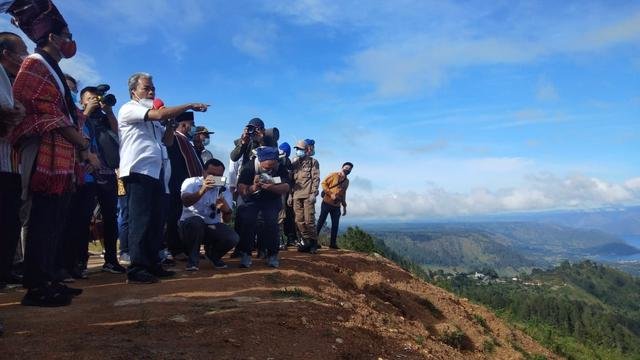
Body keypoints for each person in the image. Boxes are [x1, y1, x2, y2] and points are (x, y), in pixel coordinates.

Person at [7, 0, 98, 306]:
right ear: (51, 37)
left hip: (62, 154)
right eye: (67, 34)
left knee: (57, 218)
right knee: (43, 218)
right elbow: (43, 109)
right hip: (45, 152)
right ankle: (36, 286)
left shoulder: (52, 67)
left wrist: (79, 144)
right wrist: (84, 146)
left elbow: (66, 114)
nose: (71, 39)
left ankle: (51, 276)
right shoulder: (34, 64)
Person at [117, 72, 208, 284]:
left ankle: (152, 263)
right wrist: (189, 105)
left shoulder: (155, 117)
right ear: (134, 92)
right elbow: (158, 115)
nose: (151, 91)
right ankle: (137, 268)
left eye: (153, 88)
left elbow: (167, 142)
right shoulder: (129, 108)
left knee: (157, 220)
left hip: (157, 173)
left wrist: (169, 125)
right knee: (141, 220)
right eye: (146, 88)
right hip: (138, 170)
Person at [77, 86, 124, 274]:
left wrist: (109, 111)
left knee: (110, 219)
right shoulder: (79, 115)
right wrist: (86, 111)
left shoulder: (104, 118)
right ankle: (80, 262)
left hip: (107, 175)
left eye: (97, 98)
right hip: (86, 174)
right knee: (83, 218)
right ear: (82, 101)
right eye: (90, 98)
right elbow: (76, 130)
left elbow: (118, 131)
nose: (94, 101)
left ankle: (111, 260)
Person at [0, 31, 27, 288]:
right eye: (22, 52)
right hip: (3, 164)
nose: (26, 57)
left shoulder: (10, 82)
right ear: (6, 54)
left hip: (11, 164)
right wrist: (16, 114)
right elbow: (4, 117)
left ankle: (5, 273)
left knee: (9, 222)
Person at [179, 158, 238, 271]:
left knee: (232, 237)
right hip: (189, 226)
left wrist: (227, 211)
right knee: (196, 222)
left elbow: (227, 220)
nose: (213, 178)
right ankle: (193, 260)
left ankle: (213, 255)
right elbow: (185, 201)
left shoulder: (224, 190)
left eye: (218, 175)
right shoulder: (191, 182)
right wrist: (203, 190)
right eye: (211, 174)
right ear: (203, 172)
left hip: (211, 226)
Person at [236, 147, 290, 268]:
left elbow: (286, 187)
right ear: (259, 162)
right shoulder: (249, 167)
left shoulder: (280, 168)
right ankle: (246, 254)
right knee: (248, 222)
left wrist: (270, 187)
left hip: (271, 199)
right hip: (252, 199)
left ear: (276, 161)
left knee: (271, 224)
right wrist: (254, 187)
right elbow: (241, 189)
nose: (269, 170)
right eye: (266, 168)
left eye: (272, 167)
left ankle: (272, 255)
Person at [166, 112, 203, 258]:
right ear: (183, 124)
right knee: (173, 216)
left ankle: (187, 248)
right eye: (191, 124)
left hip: (187, 184)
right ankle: (175, 249)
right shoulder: (175, 139)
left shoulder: (186, 141)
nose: (193, 127)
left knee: (185, 216)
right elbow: (174, 163)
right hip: (176, 183)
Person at [290, 140, 320, 253]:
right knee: (299, 221)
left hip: (308, 195)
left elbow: (316, 179)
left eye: (300, 149)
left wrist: (314, 193)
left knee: (309, 221)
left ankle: (313, 243)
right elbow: (291, 180)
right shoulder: (295, 163)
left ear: (307, 150)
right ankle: (306, 242)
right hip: (296, 195)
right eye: (297, 149)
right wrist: (289, 195)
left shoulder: (313, 162)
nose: (298, 151)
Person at [317, 162, 353, 249]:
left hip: (337, 205)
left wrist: (344, 206)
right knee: (321, 221)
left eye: (349, 169)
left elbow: (343, 193)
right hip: (327, 202)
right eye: (346, 167)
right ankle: (313, 240)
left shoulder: (347, 181)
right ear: (342, 167)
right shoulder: (334, 175)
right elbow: (323, 183)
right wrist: (330, 194)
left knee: (335, 224)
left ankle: (332, 244)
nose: (347, 170)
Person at [277, 142, 298, 248]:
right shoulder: (278, 160)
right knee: (280, 214)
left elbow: (289, 179)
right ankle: (279, 239)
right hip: (279, 190)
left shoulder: (287, 161)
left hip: (284, 191)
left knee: (285, 215)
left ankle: (286, 238)